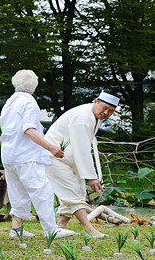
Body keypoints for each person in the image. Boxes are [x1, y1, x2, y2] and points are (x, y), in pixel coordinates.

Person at [0, 69, 76, 240]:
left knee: (18, 191)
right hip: (26, 155)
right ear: (35, 85)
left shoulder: (9, 102)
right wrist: (51, 147)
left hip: (9, 154)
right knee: (42, 190)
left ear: (15, 83)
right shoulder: (30, 103)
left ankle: (16, 229)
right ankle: (51, 229)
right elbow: (28, 129)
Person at [46, 91, 119, 238]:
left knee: (78, 192)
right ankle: (89, 229)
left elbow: (83, 147)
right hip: (55, 157)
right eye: (104, 108)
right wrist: (92, 177)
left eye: (111, 111)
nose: (106, 113)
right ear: (95, 101)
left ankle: (61, 227)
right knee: (72, 193)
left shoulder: (93, 116)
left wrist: (90, 175)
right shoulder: (83, 117)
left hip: (70, 158)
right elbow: (82, 148)